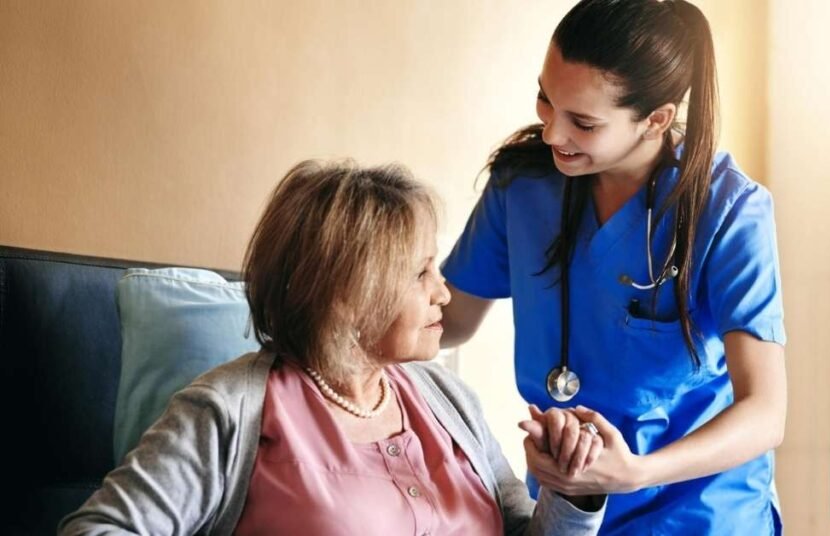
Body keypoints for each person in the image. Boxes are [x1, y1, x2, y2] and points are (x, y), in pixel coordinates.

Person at [59, 159, 607, 535]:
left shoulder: (447, 398)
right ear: (346, 294)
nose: (443, 291)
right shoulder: (229, 411)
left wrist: (569, 488)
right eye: (420, 273)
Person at [440, 0, 788, 534]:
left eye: (582, 122)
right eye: (545, 100)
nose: (553, 134)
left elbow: (765, 412)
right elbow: (449, 321)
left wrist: (635, 473)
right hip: (567, 507)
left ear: (657, 119)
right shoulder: (523, 184)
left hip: (700, 513)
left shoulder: (729, 211)